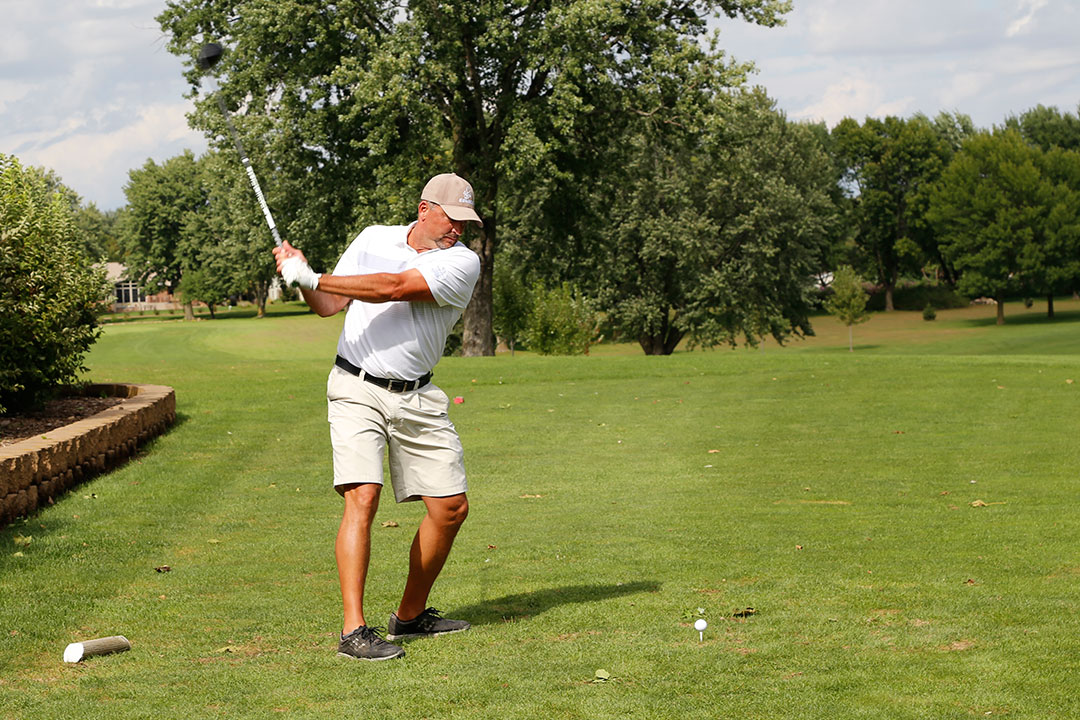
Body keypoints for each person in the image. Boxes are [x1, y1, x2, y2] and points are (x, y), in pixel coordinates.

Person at [273, 173, 482, 661]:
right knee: (362, 497)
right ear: (424, 209)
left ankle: (409, 616)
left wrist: (313, 276)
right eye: (451, 219)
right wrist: (303, 277)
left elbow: (393, 287)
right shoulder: (372, 238)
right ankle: (354, 632)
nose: (458, 230)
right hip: (355, 386)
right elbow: (329, 304)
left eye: (465, 223)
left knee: (451, 509)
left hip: (418, 394)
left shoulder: (461, 262)